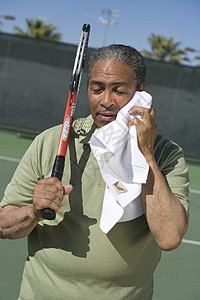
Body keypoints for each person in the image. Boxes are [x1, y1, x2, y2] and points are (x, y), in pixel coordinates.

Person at [0, 44, 189, 300]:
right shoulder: (49, 142)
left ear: (140, 92)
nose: (106, 101)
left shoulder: (167, 154)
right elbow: (4, 225)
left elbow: (169, 237)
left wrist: (146, 156)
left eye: (119, 90)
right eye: (97, 89)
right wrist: (32, 211)